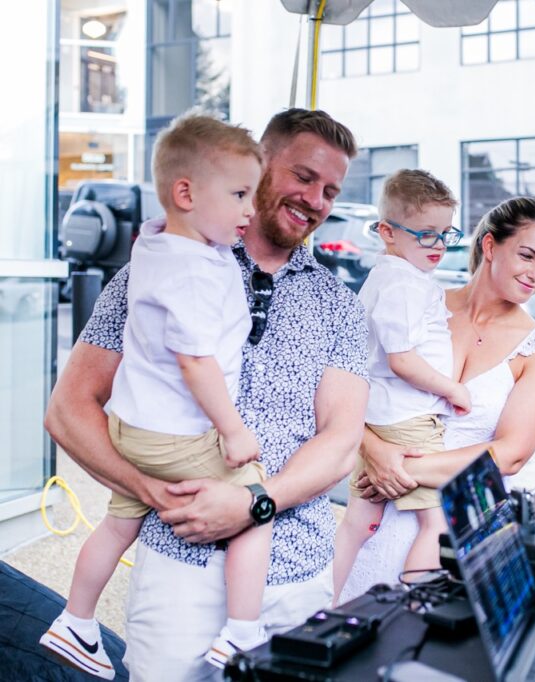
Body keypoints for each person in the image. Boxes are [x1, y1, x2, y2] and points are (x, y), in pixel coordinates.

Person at [44, 108, 369, 681]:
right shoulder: (163, 267)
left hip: (296, 575)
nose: (316, 199)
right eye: (303, 176)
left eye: (330, 190)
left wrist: (252, 502)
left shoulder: (339, 301)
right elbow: (68, 410)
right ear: (260, 165)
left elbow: (342, 440)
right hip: (177, 562)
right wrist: (150, 491)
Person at [40, 113, 270, 677]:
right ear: (185, 193)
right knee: (255, 510)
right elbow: (196, 362)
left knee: (121, 520)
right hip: (175, 433)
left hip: (133, 428)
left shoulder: (158, 243)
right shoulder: (192, 273)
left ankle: (77, 621)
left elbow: (172, 230)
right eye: (240, 194)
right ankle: (242, 632)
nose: (250, 210)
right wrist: (234, 431)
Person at [338, 197, 535, 600]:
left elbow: (510, 455)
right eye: (527, 256)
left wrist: (397, 467)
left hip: (459, 529)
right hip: (376, 517)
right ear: (491, 246)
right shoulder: (418, 302)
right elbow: (348, 389)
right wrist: (372, 449)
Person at [332, 169, 469, 605]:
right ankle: (418, 605)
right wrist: (451, 389)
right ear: (387, 232)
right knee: (437, 523)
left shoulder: (386, 277)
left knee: (358, 522)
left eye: (446, 233)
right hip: (407, 419)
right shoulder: (404, 283)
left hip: (381, 415)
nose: (439, 245)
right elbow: (403, 359)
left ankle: (326, 602)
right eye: (426, 234)